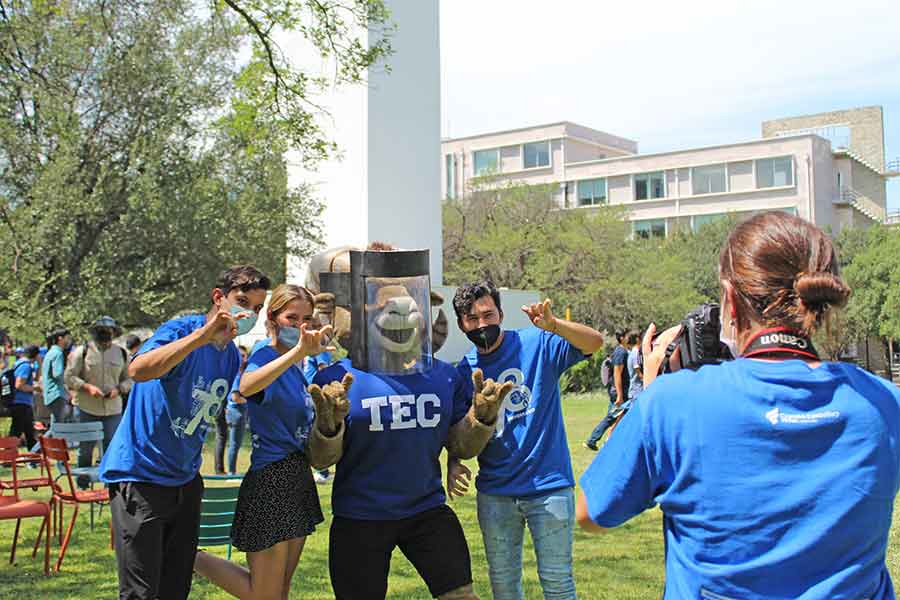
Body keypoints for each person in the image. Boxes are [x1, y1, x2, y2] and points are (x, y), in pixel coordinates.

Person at [577, 211, 900, 599]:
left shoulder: (672, 403)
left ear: (730, 300)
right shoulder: (883, 401)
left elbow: (593, 514)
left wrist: (650, 395)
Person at [308, 248, 512, 600]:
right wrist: (328, 428)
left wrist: (482, 418)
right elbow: (322, 460)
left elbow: (460, 445)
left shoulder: (444, 376)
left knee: (461, 595)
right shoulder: (338, 379)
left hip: (425, 510)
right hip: (361, 516)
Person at [99, 265, 270, 600]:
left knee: (176, 587)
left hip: (186, 481)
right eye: (242, 301)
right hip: (141, 477)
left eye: (258, 308)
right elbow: (139, 369)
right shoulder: (181, 330)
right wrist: (202, 337)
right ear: (218, 297)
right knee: (142, 592)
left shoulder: (231, 356)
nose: (249, 313)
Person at [449, 282, 603, 600]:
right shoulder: (464, 370)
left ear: (501, 313)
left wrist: (555, 324)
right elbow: (457, 430)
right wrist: (453, 462)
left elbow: (594, 343)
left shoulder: (537, 343)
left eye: (488, 314)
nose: (481, 325)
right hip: (495, 493)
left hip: (549, 488)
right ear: (461, 324)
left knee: (558, 583)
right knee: (504, 586)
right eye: (471, 319)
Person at [194, 284, 333, 598]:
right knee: (265, 595)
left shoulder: (297, 367)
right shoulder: (265, 354)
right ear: (272, 318)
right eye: (292, 317)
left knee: (279, 592)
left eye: (306, 318)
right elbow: (247, 385)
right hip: (271, 479)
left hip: (296, 477)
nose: (300, 326)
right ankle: (190, 557)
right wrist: (299, 351)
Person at [65, 316, 133, 474]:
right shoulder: (82, 351)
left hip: (113, 410)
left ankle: (110, 487)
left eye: (108, 330)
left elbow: (131, 378)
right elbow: (68, 376)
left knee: (112, 448)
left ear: (114, 332)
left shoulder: (121, 353)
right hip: (87, 408)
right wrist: (86, 387)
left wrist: (119, 389)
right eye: (100, 330)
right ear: (94, 332)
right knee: (86, 449)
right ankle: (82, 486)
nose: (104, 333)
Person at [583, 329, 630, 450]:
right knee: (612, 417)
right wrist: (619, 395)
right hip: (618, 391)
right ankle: (592, 440)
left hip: (619, 390)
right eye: (628, 336)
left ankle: (608, 441)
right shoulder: (621, 352)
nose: (630, 338)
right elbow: (617, 374)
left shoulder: (622, 351)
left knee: (617, 416)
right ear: (622, 338)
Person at [213, 344, 248, 475]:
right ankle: (229, 471)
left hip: (232, 410)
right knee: (232, 442)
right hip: (235, 411)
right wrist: (250, 399)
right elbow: (235, 396)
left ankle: (225, 470)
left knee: (229, 441)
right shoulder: (236, 375)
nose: (244, 359)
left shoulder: (237, 373)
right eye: (242, 356)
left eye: (246, 356)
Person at [303, 350, 334, 484]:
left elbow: (323, 370)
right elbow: (322, 370)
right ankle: (321, 471)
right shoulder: (316, 350)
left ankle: (323, 472)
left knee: (315, 433)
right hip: (312, 394)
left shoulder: (317, 349)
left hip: (312, 395)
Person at [10, 344, 41, 449]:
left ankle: (34, 456)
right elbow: (19, 385)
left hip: (23, 403)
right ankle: (7, 457)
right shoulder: (25, 366)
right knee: (17, 431)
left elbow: (36, 378)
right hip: (20, 402)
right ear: (36, 355)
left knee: (29, 431)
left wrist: (39, 364)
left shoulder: (21, 363)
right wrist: (35, 389)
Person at [42, 326, 74, 424]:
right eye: (67, 338)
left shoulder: (50, 352)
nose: (69, 341)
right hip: (57, 394)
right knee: (58, 426)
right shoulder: (58, 353)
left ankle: (47, 439)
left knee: (55, 425)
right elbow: (58, 374)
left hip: (50, 394)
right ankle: (47, 440)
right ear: (60, 338)